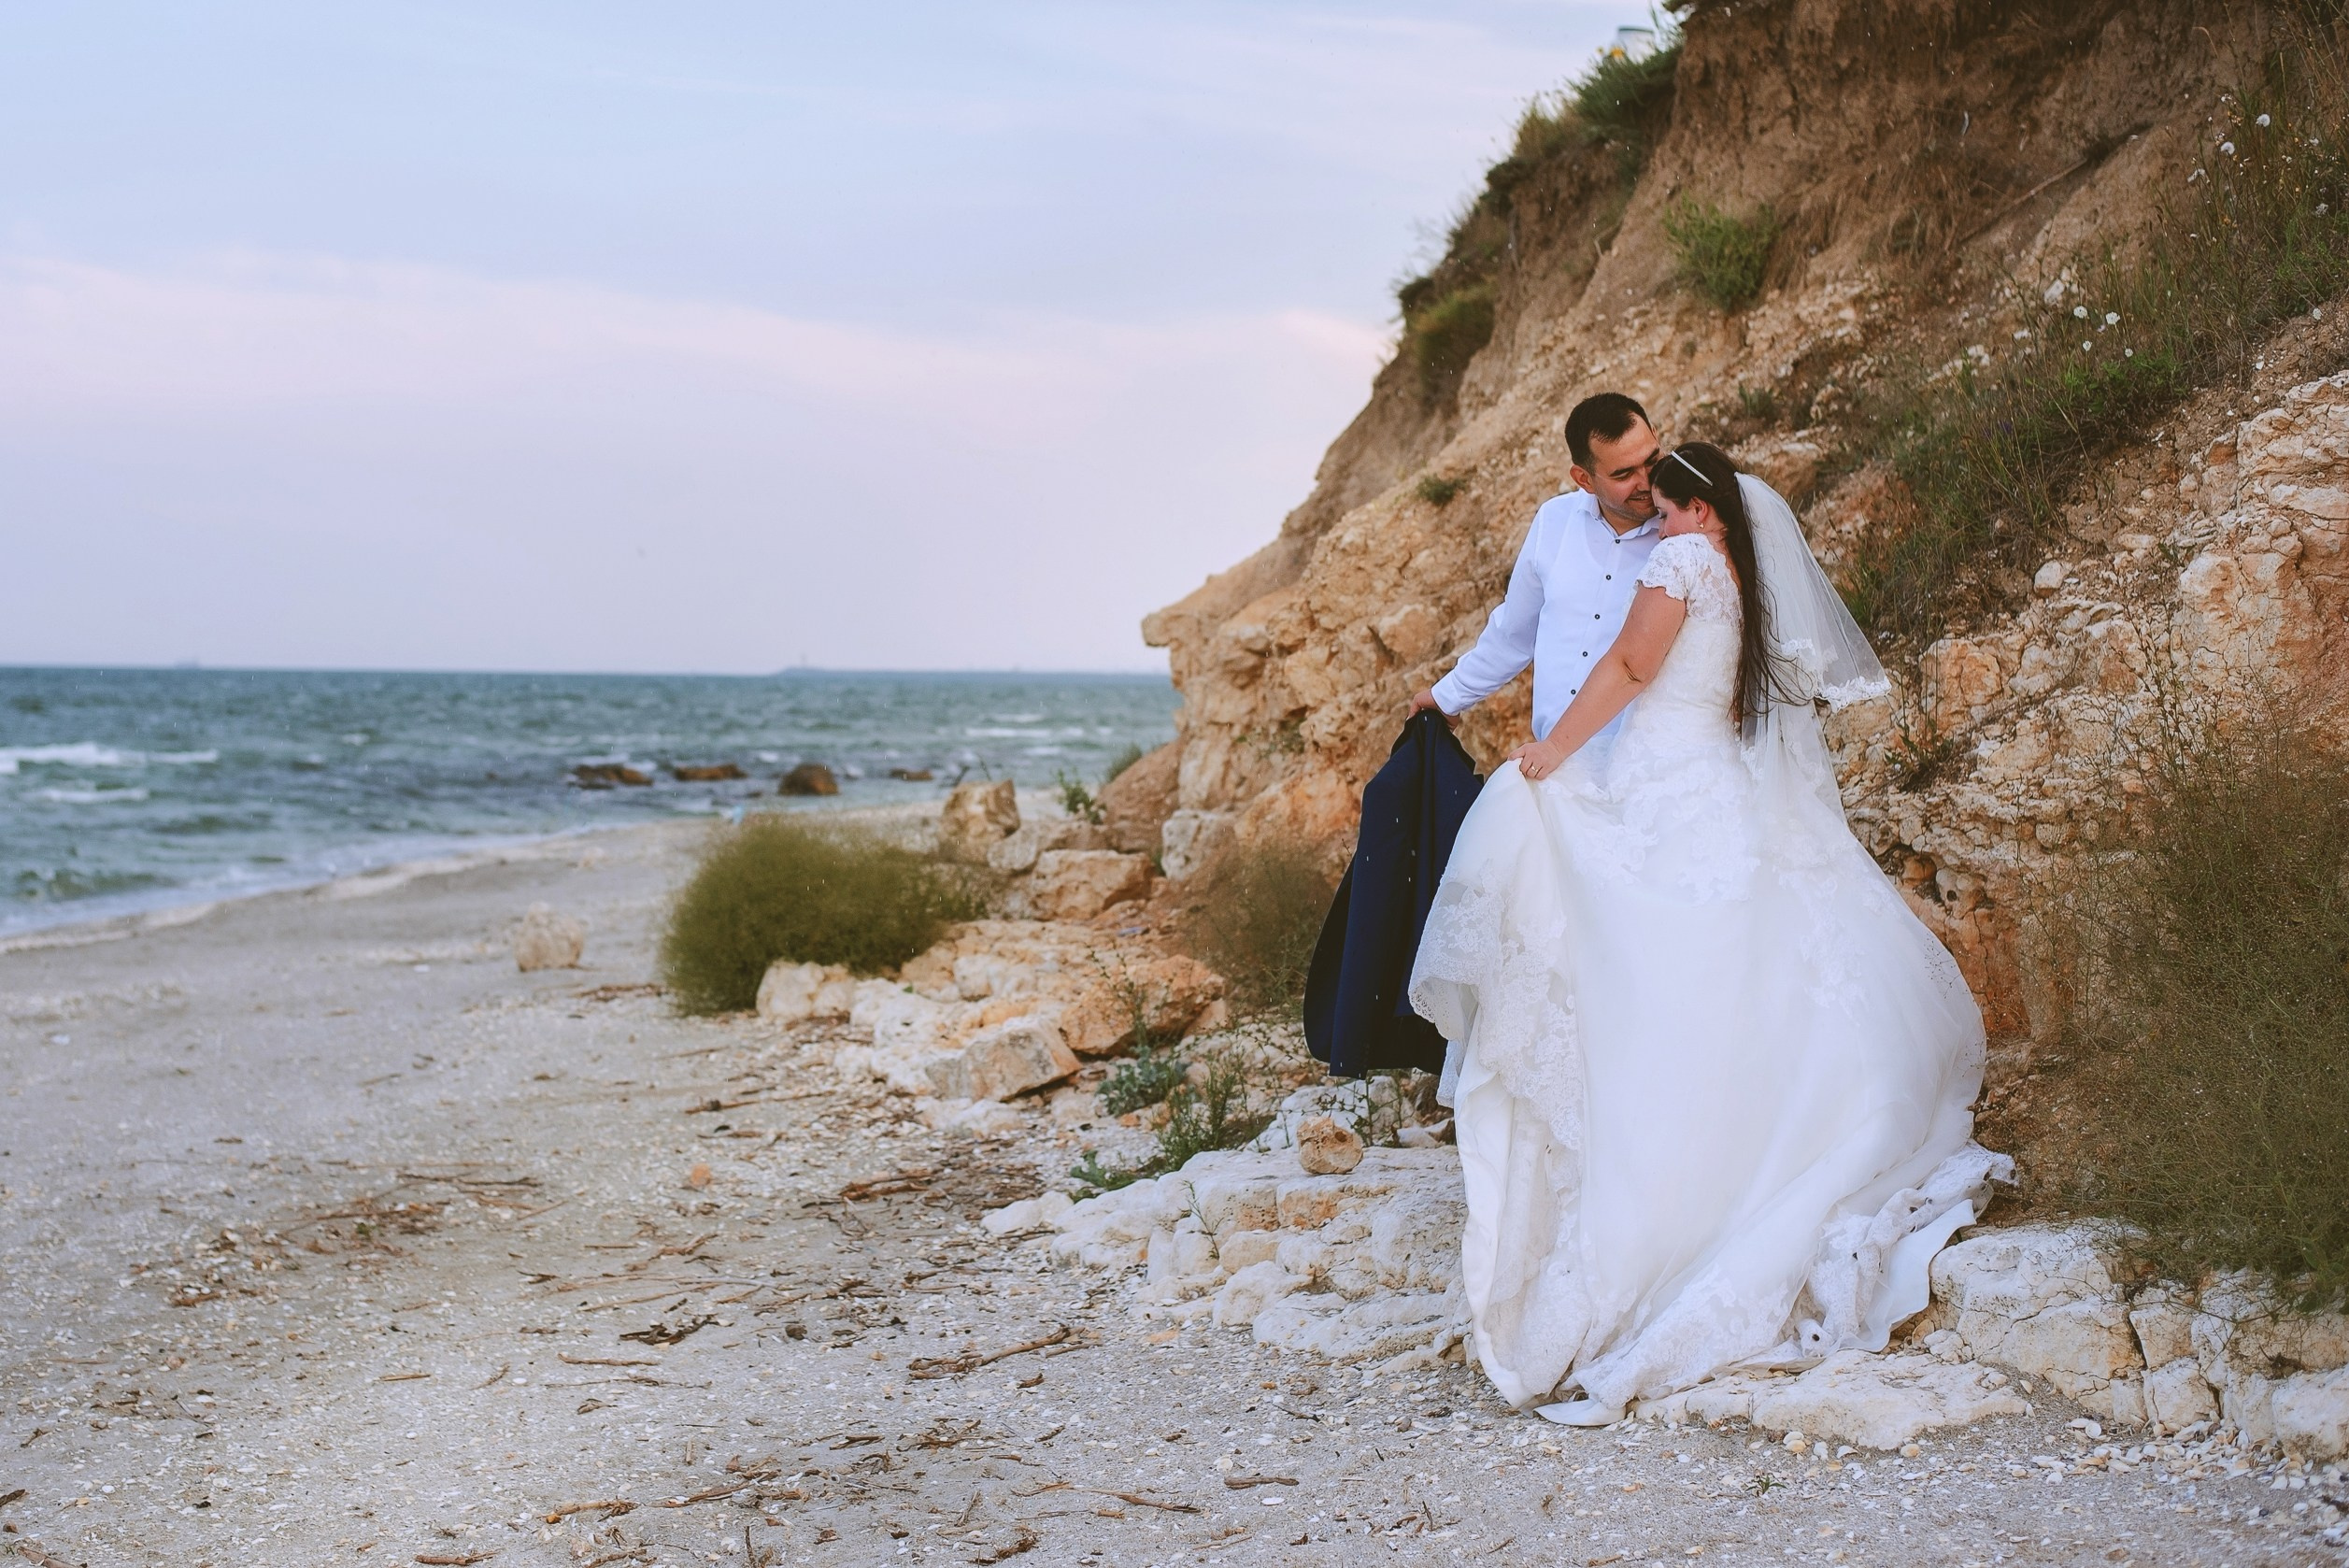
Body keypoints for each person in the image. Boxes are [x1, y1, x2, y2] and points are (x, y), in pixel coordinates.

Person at [1407, 440, 1998, 1425]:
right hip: (1718, 786)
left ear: (1692, 508)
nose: (1649, 511)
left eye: (1661, 498)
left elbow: (1635, 663)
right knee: (1726, 983)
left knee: (1626, 953)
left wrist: (1552, 748)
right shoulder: (1743, 570)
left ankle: (1648, 1208)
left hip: (1665, 790)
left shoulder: (1682, 560)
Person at [1408, 392, 1664, 753]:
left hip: (1642, 768)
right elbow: (1513, 633)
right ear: (1584, 479)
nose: (1647, 481)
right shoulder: (1553, 521)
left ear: (1656, 434)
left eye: (1651, 460)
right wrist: (1448, 696)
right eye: (1624, 474)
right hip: (1554, 768)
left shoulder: (1689, 532)